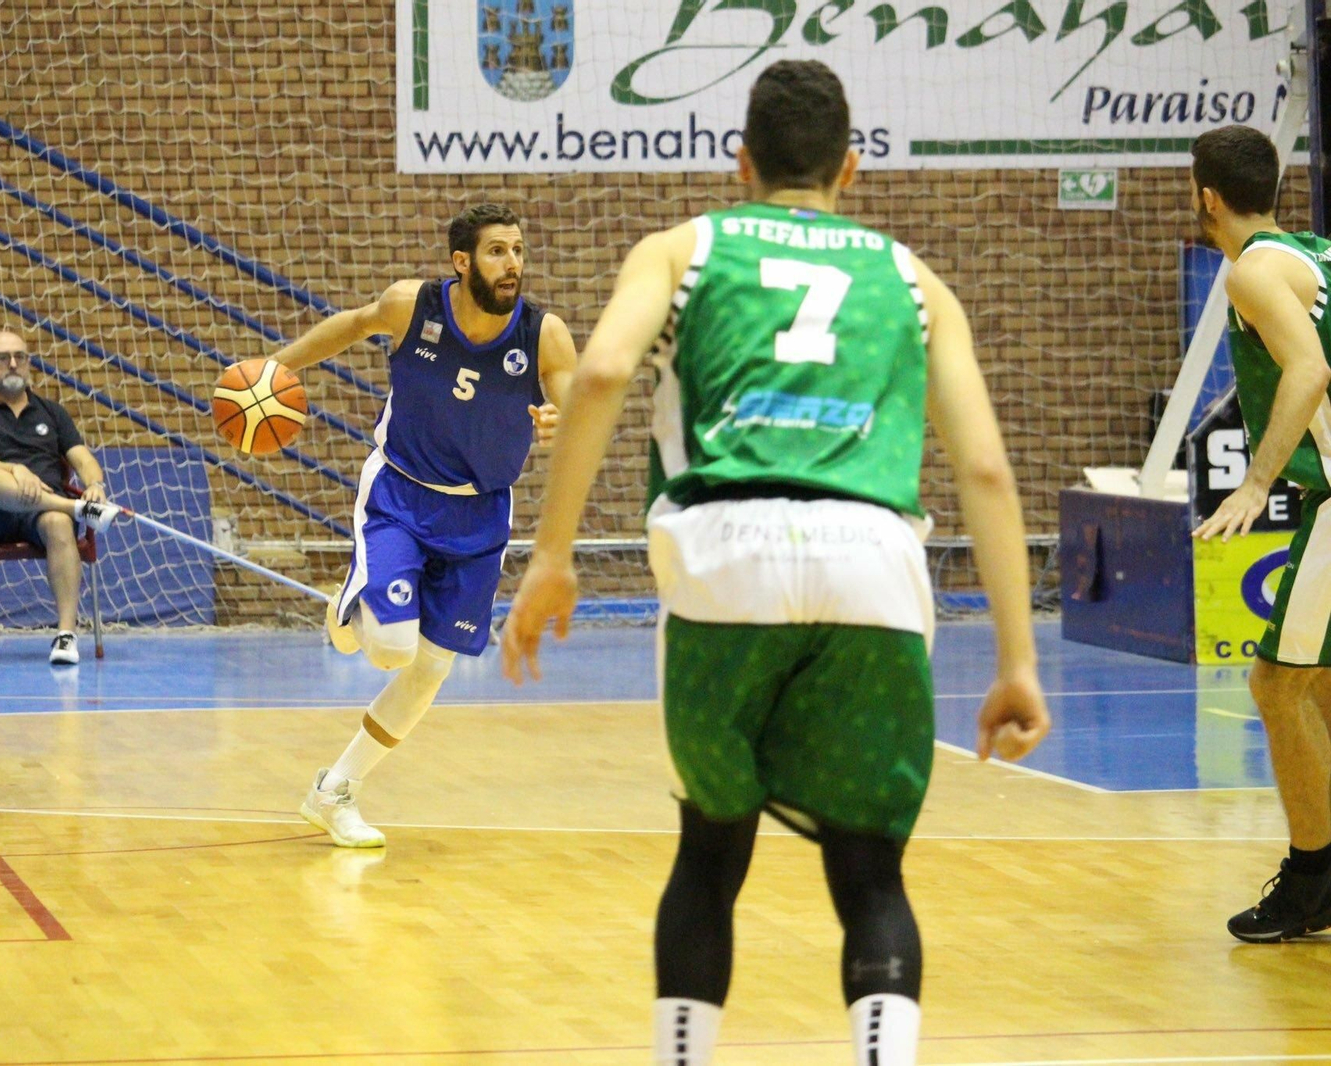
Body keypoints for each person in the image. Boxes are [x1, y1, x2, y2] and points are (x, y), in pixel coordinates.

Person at [500, 61, 1050, 1066]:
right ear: (852, 166)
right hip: (873, 565)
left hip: (724, 555)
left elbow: (606, 372)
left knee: (708, 850)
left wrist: (551, 553)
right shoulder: (915, 280)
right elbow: (982, 466)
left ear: (740, 160)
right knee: (871, 874)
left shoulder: (683, 249)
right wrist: (1016, 658)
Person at [274, 203, 576, 848]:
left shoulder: (543, 334)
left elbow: (573, 399)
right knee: (389, 648)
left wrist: (559, 420)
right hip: (401, 496)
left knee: (432, 668)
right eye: (497, 251)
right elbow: (351, 327)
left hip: (482, 511)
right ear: (462, 261)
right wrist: (278, 369)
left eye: (518, 250)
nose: (513, 263)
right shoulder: (412, 306)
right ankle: (351, 606)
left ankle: (334, 791)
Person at [1190, 124, 1331, 943]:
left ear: (1207, 196)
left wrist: (1255, 481)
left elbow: (1311, 370)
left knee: (1276, 686)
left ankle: (1313, 881)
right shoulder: (1315, 253)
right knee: (1315, 683)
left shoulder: (1251, 271)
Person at [0, 329, 121, 665]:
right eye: (2, 358)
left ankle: (66, 636)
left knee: (59, 523)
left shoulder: (53, 413)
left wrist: (96, 485)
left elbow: (83, 459)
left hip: (40, 513)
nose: (13, 364)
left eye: (20, 357)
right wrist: (14, 469)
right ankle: (76, 508)